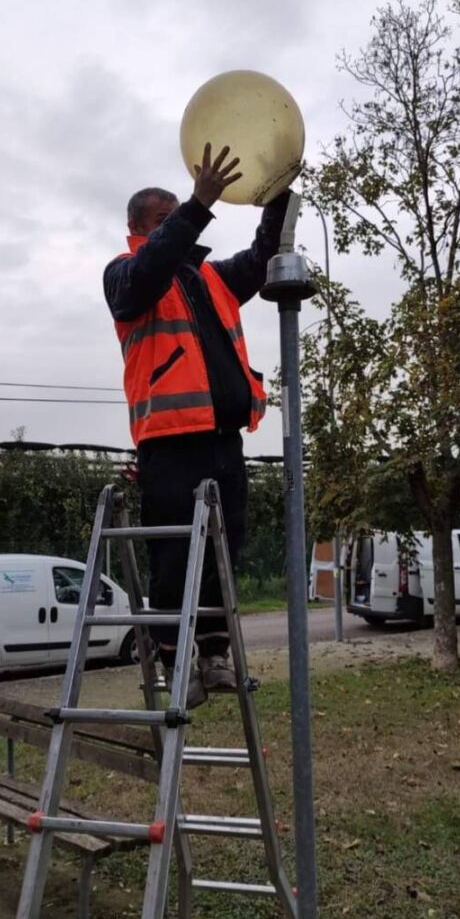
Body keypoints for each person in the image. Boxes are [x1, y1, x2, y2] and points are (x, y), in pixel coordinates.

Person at [103, 144, 289, 707]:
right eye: (164, 219)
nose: (175, 224)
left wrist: (277, 197)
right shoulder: (125, 274)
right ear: (138, 229)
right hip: (169, 443)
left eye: (176, 215)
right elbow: (148, 272)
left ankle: (211, 654)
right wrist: (199, 205)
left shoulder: (210, 278)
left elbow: (260, 258)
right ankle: (172, 660)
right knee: (174, 556)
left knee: (223, 553)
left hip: (224, 442)